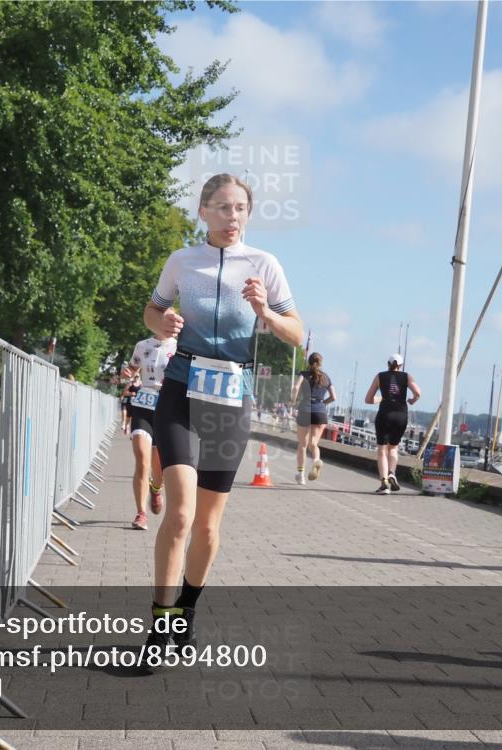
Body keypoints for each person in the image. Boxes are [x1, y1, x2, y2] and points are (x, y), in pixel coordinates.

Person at [142, 172, 303, 657]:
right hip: (181, 390)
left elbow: (297, 333)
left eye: (240, 209)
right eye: (223, 207)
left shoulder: (263, 264)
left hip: (231, 398)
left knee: (208, 527)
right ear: (203, 211)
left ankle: (187, 612)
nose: (233, 217)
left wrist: (266, 313)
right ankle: (160, 626)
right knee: (180, 516)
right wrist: (163, 323)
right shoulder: (182, 260)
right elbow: (152, 311)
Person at [125, 335, 177, 530]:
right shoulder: (142, 345)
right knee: (142, 460)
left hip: (167, 407)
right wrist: (127, 372)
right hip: (143, 406)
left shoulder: (180, 346)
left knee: (159, 467)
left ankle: (156, 488)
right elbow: (132, 368)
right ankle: (141, 513)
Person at [364, 353, 420, 494]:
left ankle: (384, 484)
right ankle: (392, 473)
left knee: (382, 450)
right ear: (400, 366)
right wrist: (412, 400)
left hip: (384, 414)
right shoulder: (406, 376)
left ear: (388, 364)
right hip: (401, 415)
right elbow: (418, 392)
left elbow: (368, 399)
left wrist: (380, 399)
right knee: (393, 448)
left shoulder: (380, 376)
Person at [292, 353, 337, 484]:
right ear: (320, 363)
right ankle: (316, 460)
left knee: (302, 445)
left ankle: (301, 475)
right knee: (313, 443)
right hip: (320, 412)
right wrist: (323, 403)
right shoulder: (326, 377)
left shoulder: (304, 374)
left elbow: (295, 387)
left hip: (305, 409)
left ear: (309, 362)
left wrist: (293, 401)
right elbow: (334, 397)